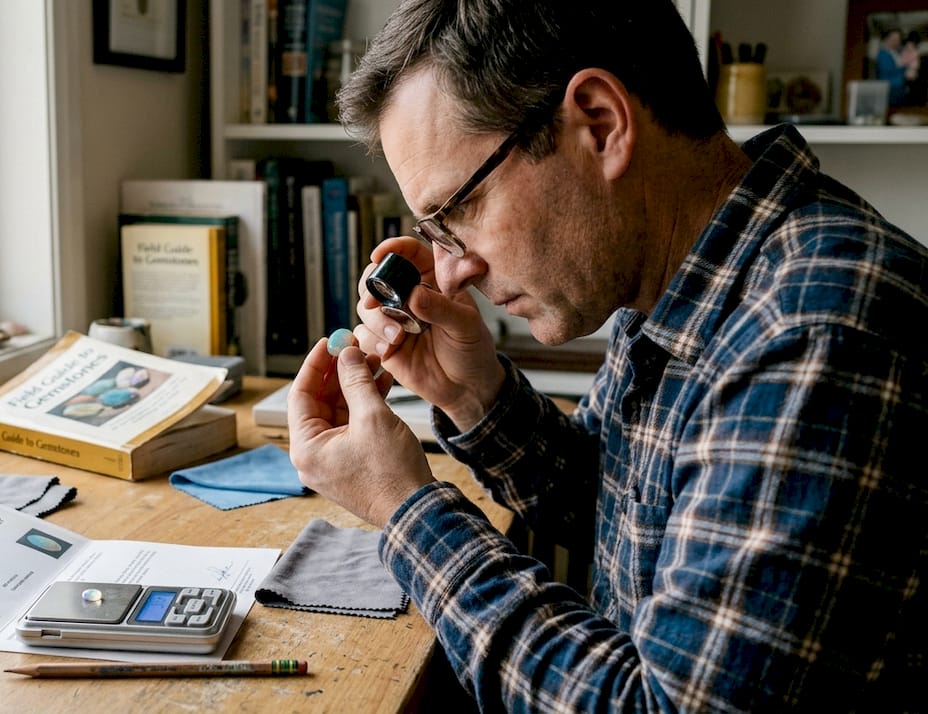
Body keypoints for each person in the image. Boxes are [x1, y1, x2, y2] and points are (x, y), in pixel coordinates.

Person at [285, 0, 928, 711]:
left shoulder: (817, 334)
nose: (451, 272)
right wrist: (471, 394)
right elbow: (621, 510)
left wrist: (404, 506)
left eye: (458, 211)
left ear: (599, 123)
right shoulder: (678, 278)